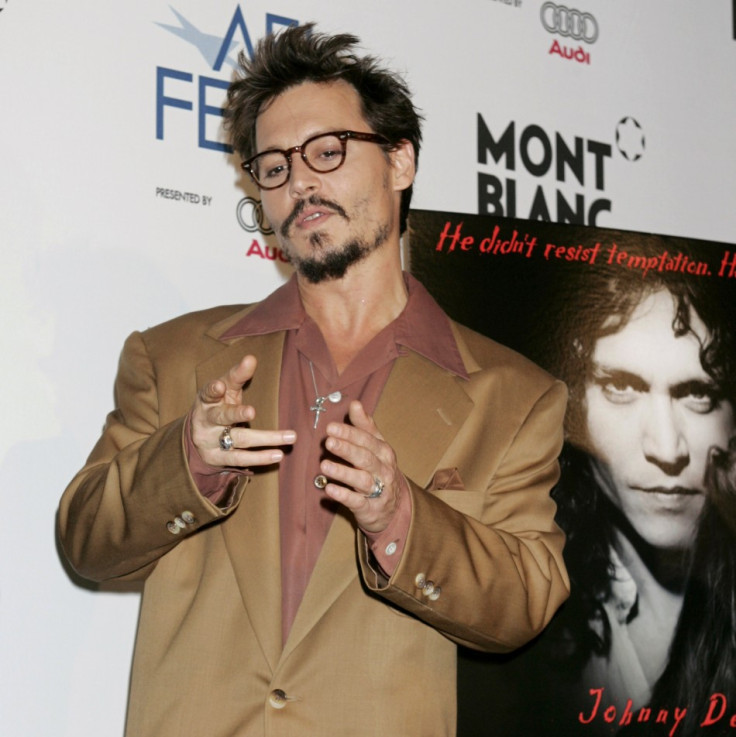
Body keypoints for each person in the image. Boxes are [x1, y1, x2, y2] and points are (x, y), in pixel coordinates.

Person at [58, 24, 569, 737]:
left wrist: (399, 517)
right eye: (272, 166)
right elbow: (84, 539)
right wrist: (189, 461)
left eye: (327, 151)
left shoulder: (512, 397)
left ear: (400, 161)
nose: (300, 181)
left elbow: (523, 602)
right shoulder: (173, 357)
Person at [458, 235, 736, 736]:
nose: (667, 449)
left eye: (698, 394)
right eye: (622, 388)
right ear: (575, 405)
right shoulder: (518, 589)